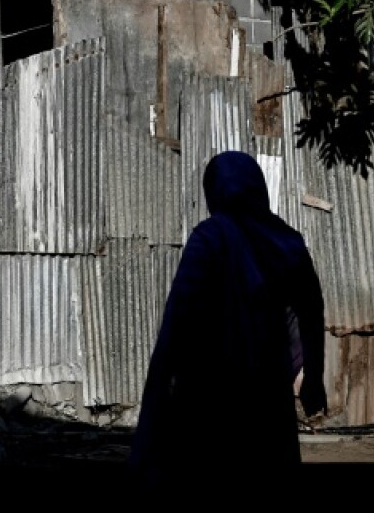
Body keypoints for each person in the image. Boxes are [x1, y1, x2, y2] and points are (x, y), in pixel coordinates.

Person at [128, 150, 327, 496]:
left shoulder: (209, 238)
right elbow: (312, 312)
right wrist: (313, 378)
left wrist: (164, 386)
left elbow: (179, 317)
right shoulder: (288, 242)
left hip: (210, 392)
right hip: (268, 396)